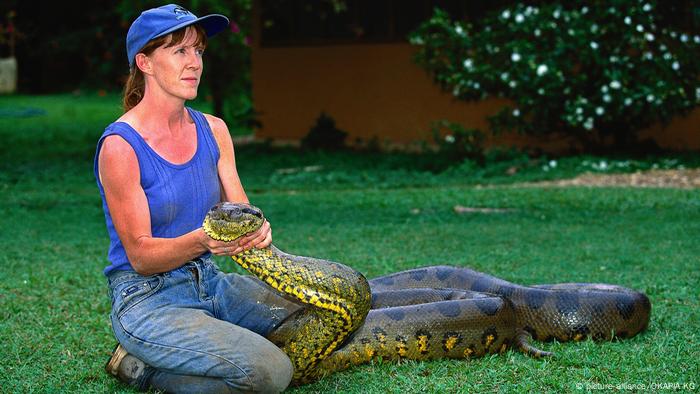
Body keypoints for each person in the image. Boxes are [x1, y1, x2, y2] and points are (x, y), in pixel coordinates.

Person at [95, 4, 301, 392]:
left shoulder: (214, 130)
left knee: (312, 320)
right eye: (180, 51)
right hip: (150, 300)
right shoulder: (121, 146)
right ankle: (139, 367)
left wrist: (256, 233)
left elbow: (240, 213)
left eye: (199, 51)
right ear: (145, 62)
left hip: (212, 282)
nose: (195, 64)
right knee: (271, 371)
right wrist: (204, 240)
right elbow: (140, 256)